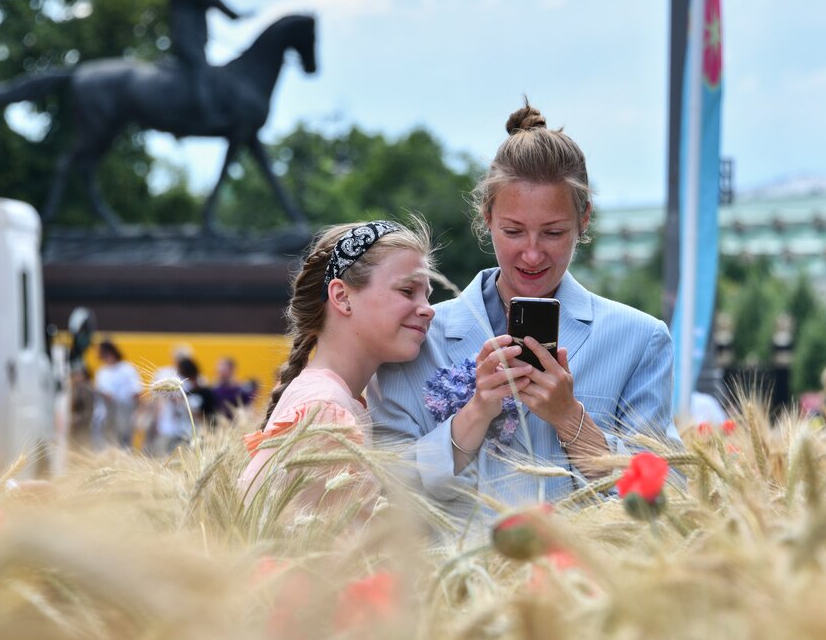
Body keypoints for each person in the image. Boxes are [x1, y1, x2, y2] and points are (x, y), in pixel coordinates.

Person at [369, 101, 681, 524]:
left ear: (584, 219)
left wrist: (571, 420)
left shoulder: (639, 340)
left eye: (553, 232)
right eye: (513, 231)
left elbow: (670, 495)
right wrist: (474, 414)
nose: (532, 254)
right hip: (455, 586)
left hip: (582, 582)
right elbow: (383, 488)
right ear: (487, 217)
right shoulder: (419, 336)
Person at [238, 220, 435, 515]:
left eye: (427, 295)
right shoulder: (326, 410)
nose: (428, 308)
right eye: (408, 291)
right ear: (342, 298)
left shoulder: (332, 399)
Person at [169, 0, 248, 126]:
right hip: (188, 34)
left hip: (192, 34)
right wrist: (233, 15)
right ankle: (204, 112)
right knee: (199, 70)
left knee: (200, 69)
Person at [92, 340, 142, 450]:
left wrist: (137, 411)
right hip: (108, 413)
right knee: (108, 442)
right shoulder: (102, 372)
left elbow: (137, 392)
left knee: (124, 442)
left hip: (125, 412)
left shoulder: (127, 369)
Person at [211, 357, 254, 422]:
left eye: (224, 370)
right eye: (219, 370)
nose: (221, 373)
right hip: (219, 426)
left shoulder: (242, 390)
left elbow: (249, 410)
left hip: (237, 425)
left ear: (232, 370)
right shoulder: (214, 390)